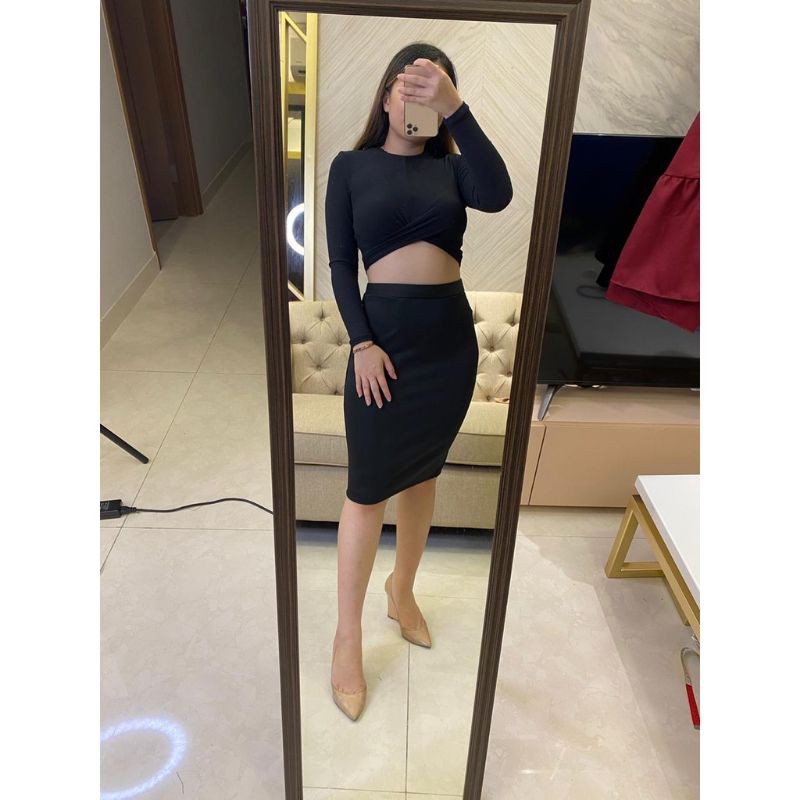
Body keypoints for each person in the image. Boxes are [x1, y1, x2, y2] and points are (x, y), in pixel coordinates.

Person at [324, 44, 513, 721]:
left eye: (433, 90)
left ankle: (401, 590)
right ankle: (347, 637)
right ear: (384, 96)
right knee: (367, 489)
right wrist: (362, 343)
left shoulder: (455, 170)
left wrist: (456, 108)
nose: (418, 100)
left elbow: (499, 194)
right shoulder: (350, 168)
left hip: (447, 348)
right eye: (409, 86)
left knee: (423, 477)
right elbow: (340, 266)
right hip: (383, 343)